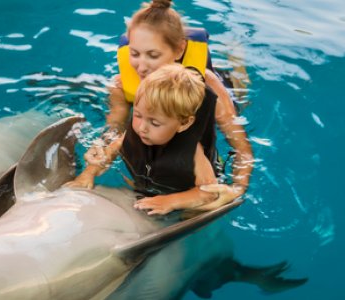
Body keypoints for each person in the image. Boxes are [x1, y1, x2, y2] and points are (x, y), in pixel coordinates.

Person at [85, 0, 252, 211]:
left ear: (179, 49)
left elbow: (242, 150)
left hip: (215, 88)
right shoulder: (121, 85)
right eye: (134, 54)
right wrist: (100, 148)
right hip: (159, 126)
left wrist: (237, 188)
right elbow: (114, 128)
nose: (142, 67)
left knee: (241, 96)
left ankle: (236, 59)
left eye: (153, 55)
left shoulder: (207, 85)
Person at [66, 64, 230, 214]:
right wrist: (88, 173)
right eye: (137, 115)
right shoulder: (138, 129)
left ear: (184, 123)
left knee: (192, 214)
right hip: (149, 182)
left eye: (155, 123)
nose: (142, 127)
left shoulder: (194, 152)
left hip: (177, 192)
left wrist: (171, 202)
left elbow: (209, 192)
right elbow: (113, 149)